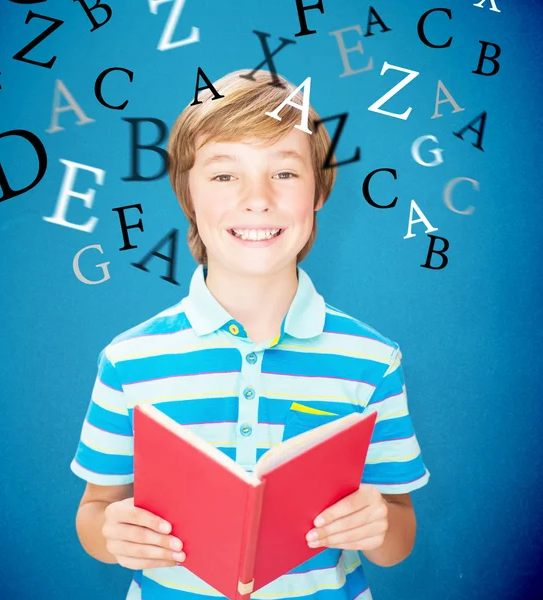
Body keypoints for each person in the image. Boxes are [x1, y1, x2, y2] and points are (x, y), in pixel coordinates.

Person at [70, 69, 430, 600]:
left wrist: (378, 525)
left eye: (284, 173)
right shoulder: (129, 360)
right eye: (223, 175)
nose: (256, 199)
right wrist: (109, 533)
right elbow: (95, 512)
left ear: (319, 192)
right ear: (188, 194)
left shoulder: (372, 359)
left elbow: (398, 533)